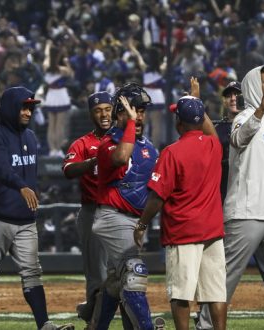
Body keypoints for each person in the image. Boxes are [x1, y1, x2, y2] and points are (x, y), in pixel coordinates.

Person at [199, 65, 264, 329]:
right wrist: (260, 109)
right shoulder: (244, 116)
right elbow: (238, 138)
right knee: (225, 278)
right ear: (254, 87)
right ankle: (206, 325)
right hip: (246, 213)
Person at [0, 86, 73, 330]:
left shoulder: (30, 136)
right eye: (24, 106)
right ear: (10, 107)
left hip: (26, 220)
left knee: (32, 272)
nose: (28, 111)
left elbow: (30, 174)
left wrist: (31, 189)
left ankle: (44, 324)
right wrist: (22, 186)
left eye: (31, 107)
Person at [134, 95, 227, 330]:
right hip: (213, 231)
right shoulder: (214, 145)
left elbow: (157, 197)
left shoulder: (171, 152)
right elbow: (210, 132)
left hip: (183, 231)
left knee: (181, 294)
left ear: (179, 123)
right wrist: (198, 102)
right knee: (215, 293)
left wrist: (142, 224)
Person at [89, 83, 158, 329]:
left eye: (141, 111)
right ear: (119, 113)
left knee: (117, 282)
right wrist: (128, 123)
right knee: (134, 272)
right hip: (112, 218)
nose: (137, 116)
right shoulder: (108, 142)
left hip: (136, 221)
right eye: (131, 111)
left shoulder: (149, 147)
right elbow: (121, 157)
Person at [63, 91, 112, 324]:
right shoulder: (83, 143)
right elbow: (68, 169)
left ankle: (94, 313)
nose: (103, 114)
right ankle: (94, 318)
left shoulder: (124, 138)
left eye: (107, 109)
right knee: (96, 276)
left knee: (126, 273)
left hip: (119, 212)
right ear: (91, 114)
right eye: (98, 110)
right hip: (92, 211)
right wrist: (93, 161)